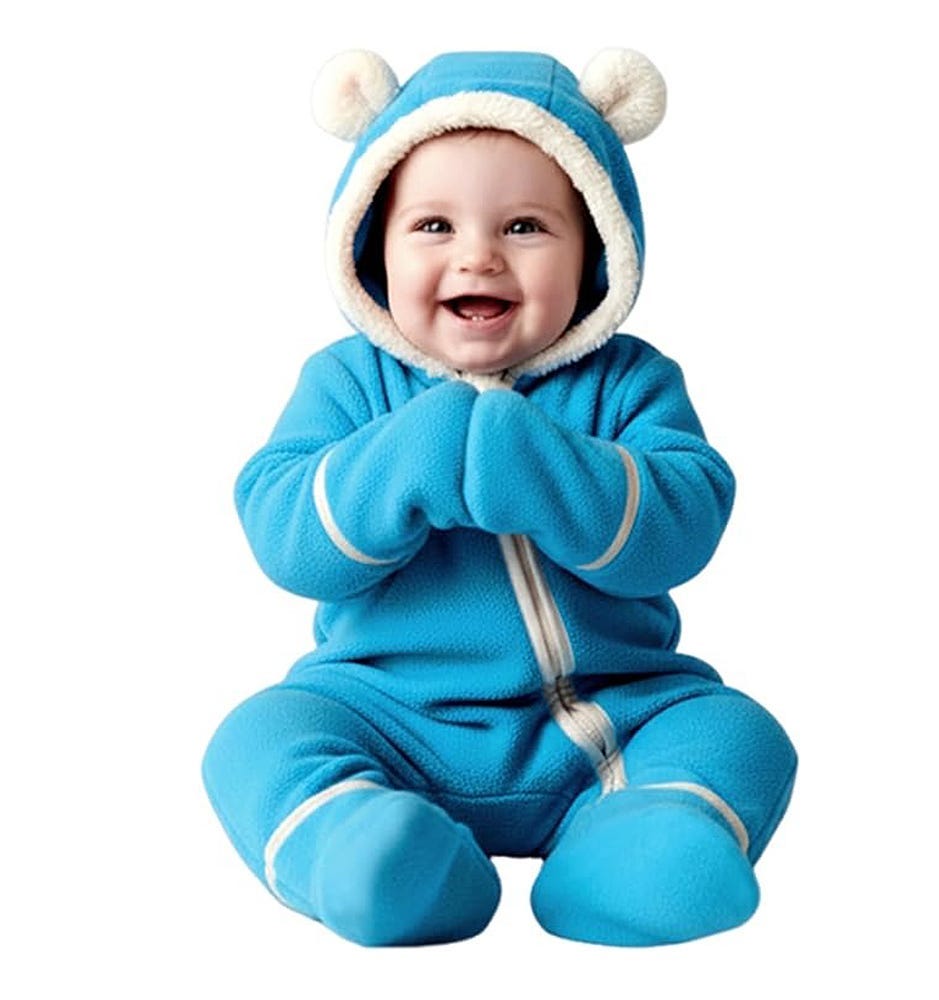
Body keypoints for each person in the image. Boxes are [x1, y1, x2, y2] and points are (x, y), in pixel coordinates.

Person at [202, 48, 797, 948]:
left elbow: (684, 520)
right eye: (433, 225)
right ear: (373, 247)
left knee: (740, 733)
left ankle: (634, 852)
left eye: (524, 226)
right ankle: (373, 851)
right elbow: (287, 534)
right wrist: (414, 455)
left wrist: (538, 465)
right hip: (390, 722)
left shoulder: (630, 383)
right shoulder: (349, 384)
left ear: (595, 250)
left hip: (607, 722)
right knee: (256, 737)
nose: (477, 254)